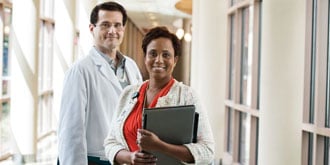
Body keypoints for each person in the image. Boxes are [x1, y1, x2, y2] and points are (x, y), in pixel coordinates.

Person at [104, 26, 215, 164]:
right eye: (153, 54)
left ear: (175, 60)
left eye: (166, 55)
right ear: (145, 58)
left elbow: (207, 151)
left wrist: (160, 146)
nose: (159, 60)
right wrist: (131, 157)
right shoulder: (128, 93)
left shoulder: (188, 96)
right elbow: (110, 143)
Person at [58, 1, 143, 165]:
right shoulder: (80, 71)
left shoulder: (131, 67)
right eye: (105, 25)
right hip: (97, 159)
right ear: (92, 28)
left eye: (117, 25)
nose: (112, 31)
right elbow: (71, 131)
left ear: (123, 29)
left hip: (127, 157)